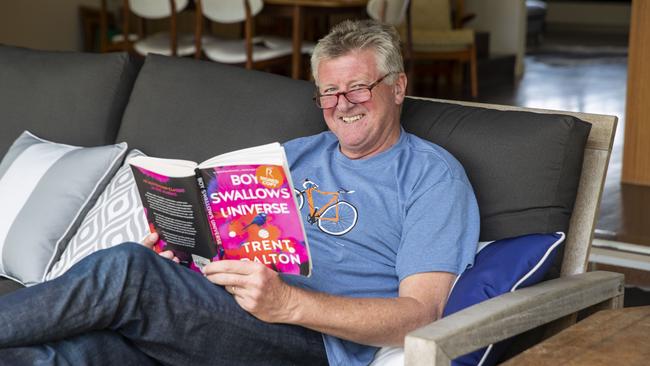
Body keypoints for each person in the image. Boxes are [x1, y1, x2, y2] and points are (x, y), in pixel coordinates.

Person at [0, 20, 479, 365]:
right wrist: (182, 249)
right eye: (329, 92)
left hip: (311, 340)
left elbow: (422, 314)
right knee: (65, 354)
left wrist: (290, 303)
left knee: (127, 267)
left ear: (398, 87)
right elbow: (232, 229)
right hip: (224, 311)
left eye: (358, 87)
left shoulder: (432, 177)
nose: (341, 105)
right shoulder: (298, 154)